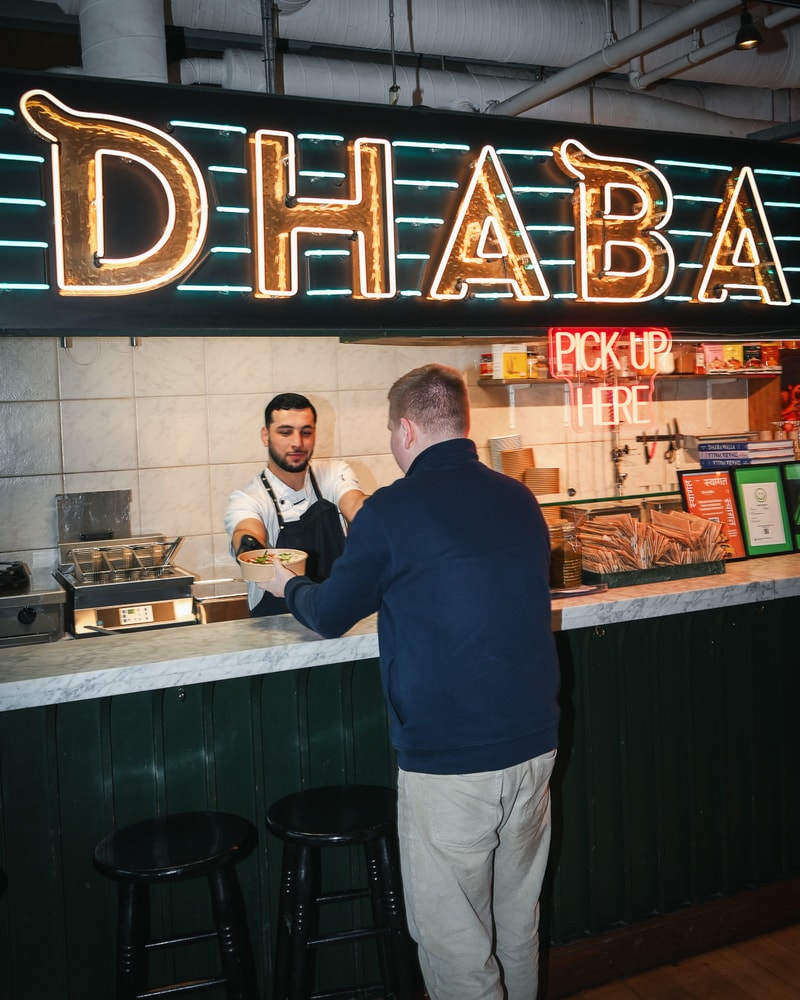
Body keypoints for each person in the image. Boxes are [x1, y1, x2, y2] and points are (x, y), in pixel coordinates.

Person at [259, 364, 560, 1000]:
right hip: (535, 747)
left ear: (407, 428)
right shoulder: (519, 497)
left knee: (456, 943)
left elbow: (330, 614)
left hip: (450, 761)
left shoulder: (393, 510)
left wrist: (283, 582)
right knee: (516, 926)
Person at [224, 391, 368, 616]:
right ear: (266, 435)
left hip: (335, 615)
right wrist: (249, 547)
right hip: (277, 630)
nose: (297, 443)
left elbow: (355, 504)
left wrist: (381, 516)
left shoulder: (334, 474)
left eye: (306, 432)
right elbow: (245, 532)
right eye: (285, 432)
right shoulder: (248, 498)